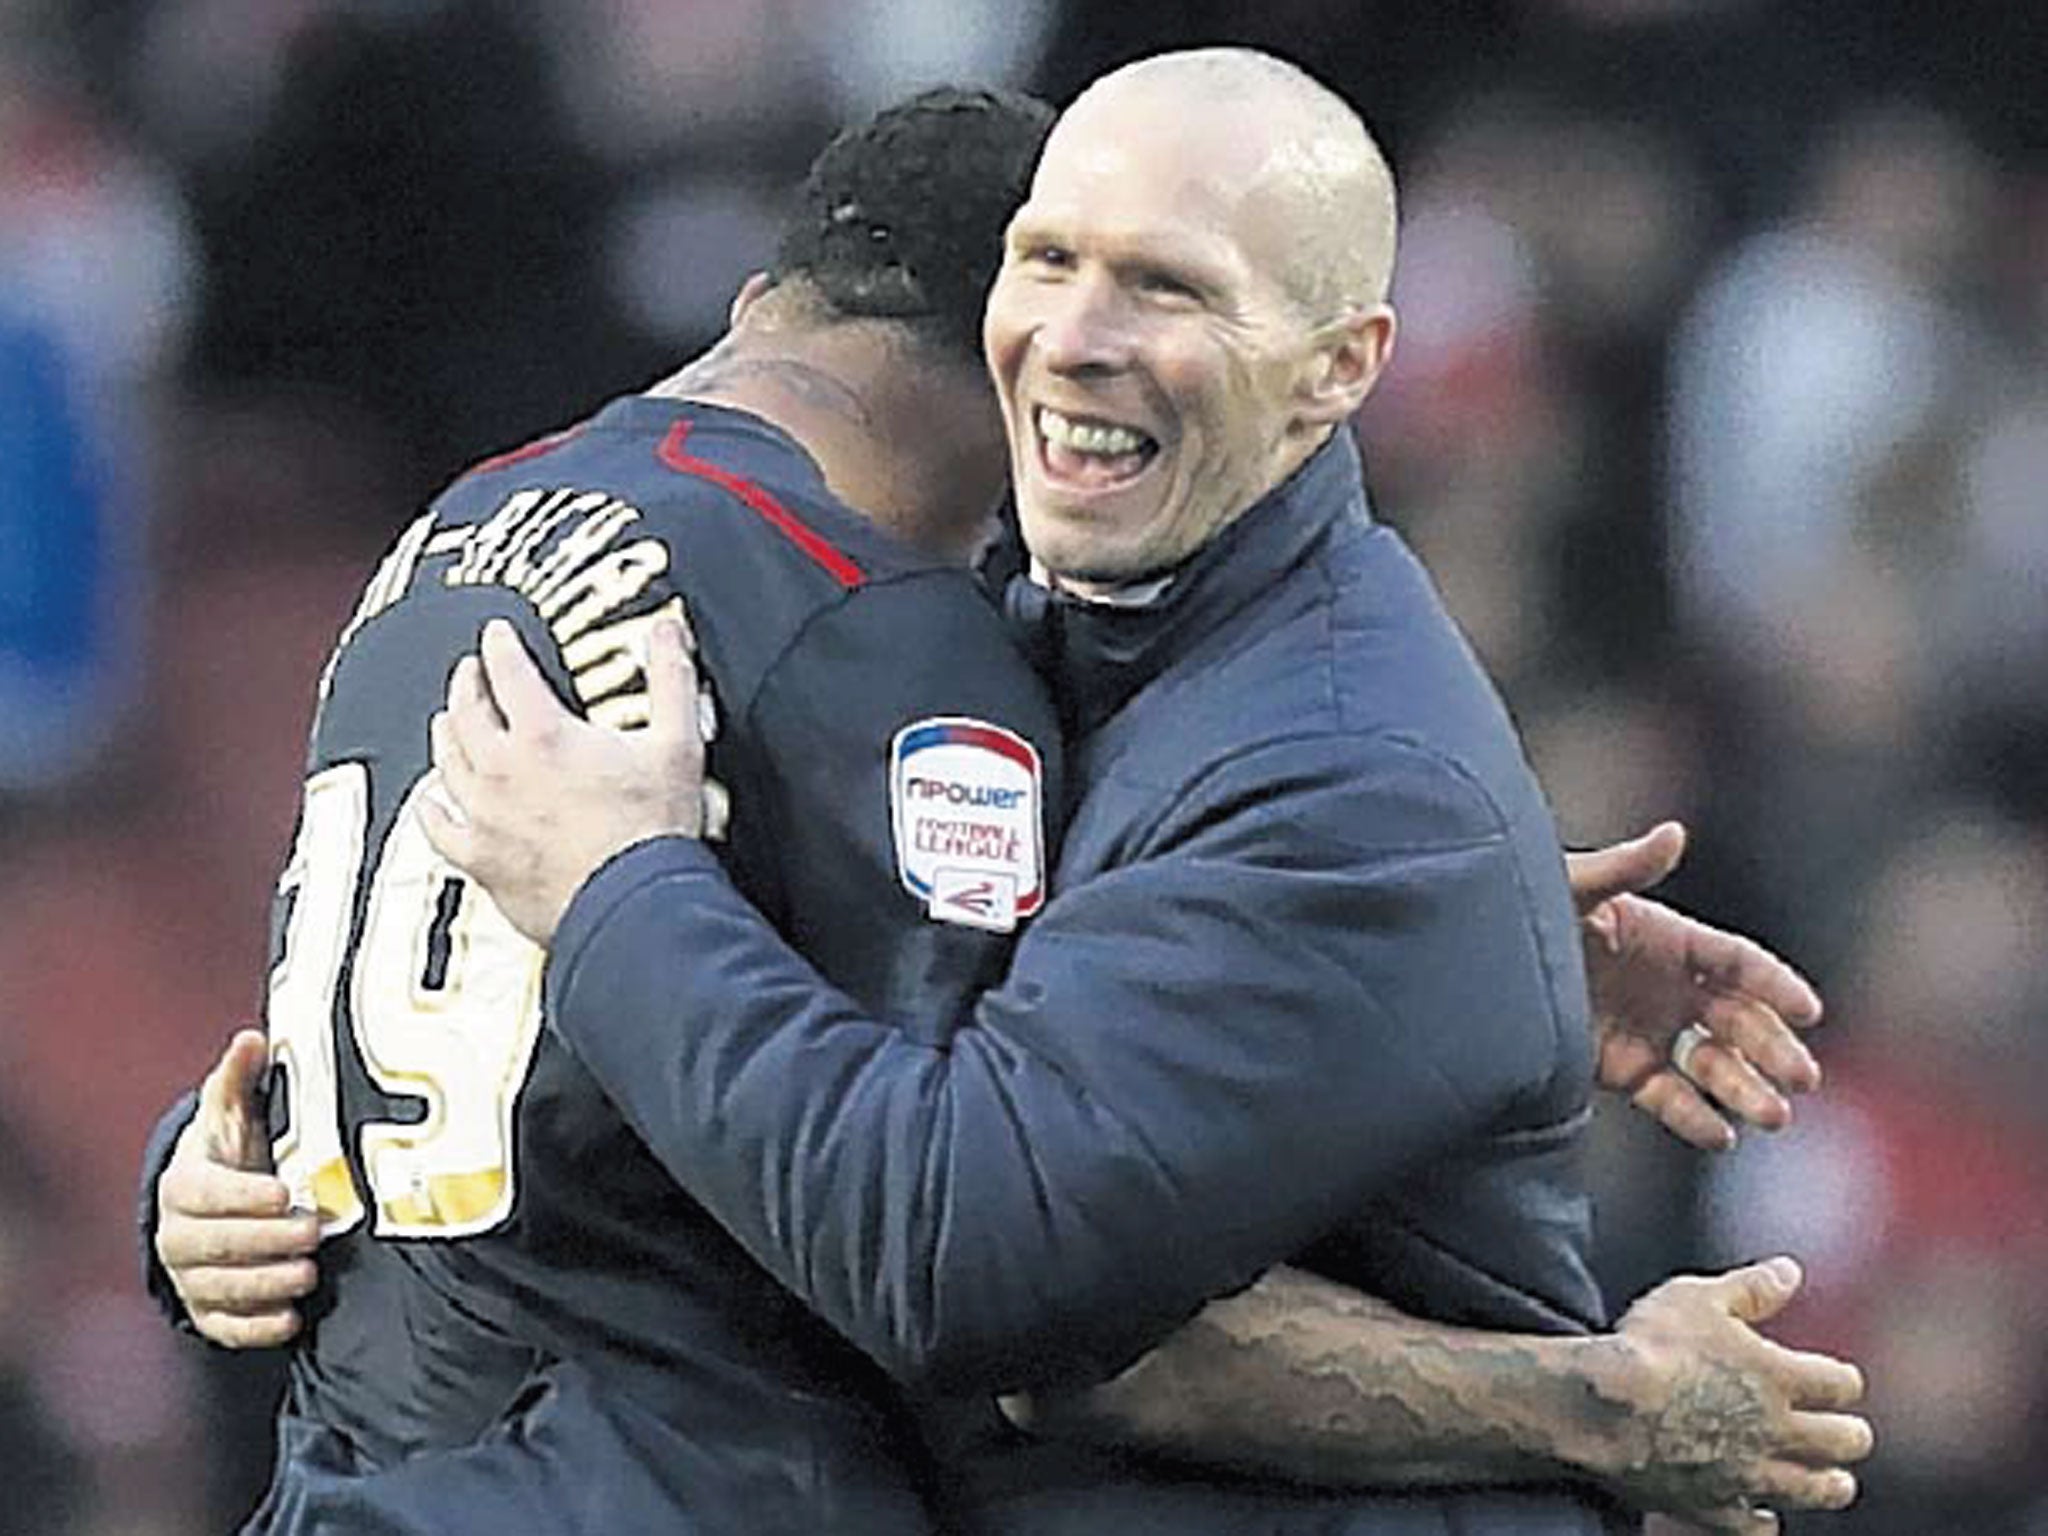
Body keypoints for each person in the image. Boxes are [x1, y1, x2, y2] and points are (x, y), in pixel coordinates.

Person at [144, 73, 1864, 1536]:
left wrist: (1451, 930)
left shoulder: (461, 533)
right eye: (1052, 267)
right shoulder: (903, 623)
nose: (1084, 344)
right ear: (982, 324)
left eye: (1167, 289)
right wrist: (1592, 1404)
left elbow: (977, 1258)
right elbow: (965, 1273)